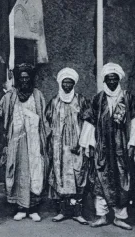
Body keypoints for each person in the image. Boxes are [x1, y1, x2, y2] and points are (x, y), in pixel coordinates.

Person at [79, 62, 135, 230]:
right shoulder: (98, 99)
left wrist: (133, 144)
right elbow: (89, 124)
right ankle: (102, 216)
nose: (112, 82)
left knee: (123, 182)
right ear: (105, 80)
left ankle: (120, 217)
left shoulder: (128, 98)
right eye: (108, 79)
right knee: (100, 180)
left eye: (115, 79)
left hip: (122, 149)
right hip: (102, 149)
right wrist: (90, 144)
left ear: (119, 80)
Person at [0, 63, 49, 222]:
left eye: (27, 78)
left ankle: (33, 208)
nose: (24, 81)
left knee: (35, 172)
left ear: (31, 79)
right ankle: (20, 208)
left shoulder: (37, 95)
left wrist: (45, 139)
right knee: (16, 171)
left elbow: (44, 119)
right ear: (17, 79)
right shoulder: (10, 96)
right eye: (21, 78)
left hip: (34, 141)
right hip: (16, 142)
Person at [45, 67, 90, 224]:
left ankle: (78, 213)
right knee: (60, 176)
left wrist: (82, 142)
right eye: (64, 83)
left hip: (77, 146)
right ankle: (63, 211)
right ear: (60, 83)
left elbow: (88, 123)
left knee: (78, 176)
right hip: (59, 147)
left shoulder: (81, 100)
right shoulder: (54, 102)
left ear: (74, 84)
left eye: (70, 83)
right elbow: (47, 123)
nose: (67, 86)